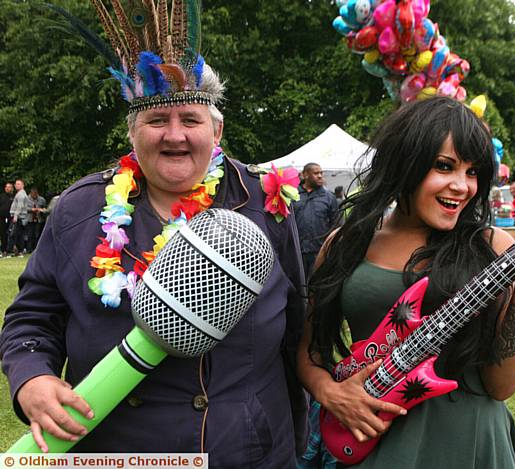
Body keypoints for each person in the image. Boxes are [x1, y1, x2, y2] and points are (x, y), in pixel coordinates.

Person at [0, 2, 308, 465]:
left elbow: (298, 328)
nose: (175, 135)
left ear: (216, 129)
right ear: (132, 132)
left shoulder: (266, 204)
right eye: (157, 121)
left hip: (246, 453)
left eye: (190, 120)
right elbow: (32, 319)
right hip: (121, 451)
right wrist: (31, 378)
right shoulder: (79, 209)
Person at [297, 97, 515, 468]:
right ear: (404, 162)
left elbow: (501, 385)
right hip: (373, 441)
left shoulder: (492, 247)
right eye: (445, 166)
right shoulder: (345, 244)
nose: (462, 186)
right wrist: (329, 392)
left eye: (473, 172)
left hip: (471, 443)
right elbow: (309, 351)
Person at [292, 163, 339, 279]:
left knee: (317, 284)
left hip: (319, 252)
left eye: (321, 173)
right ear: (305, 175)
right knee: (298, 285)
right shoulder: (293, 195)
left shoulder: (328, 197)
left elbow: (336, 224)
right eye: (316, 173)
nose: (320, 176)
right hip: (297, 252)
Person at [8, 179, 28, 256]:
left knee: (12, 234)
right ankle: (19, 251)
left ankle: (11, 251)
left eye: (19, 184)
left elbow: (20, 206)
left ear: (23, 185)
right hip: (19, 217)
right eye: (16, 184)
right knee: (19, 235)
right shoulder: (19, 194)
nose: (16, 185)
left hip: (18, 217)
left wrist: (15, 216)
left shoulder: (21, 195)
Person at [25, 187, 46, 253]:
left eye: (36, 194)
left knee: (37, 235)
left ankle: (36, 249)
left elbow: (45, 208)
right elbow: (23, 209)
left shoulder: (42, 199)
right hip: (29, 219)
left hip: (38, 219)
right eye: (33, 194)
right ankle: (29, 249)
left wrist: (41, 210)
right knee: (29, 235)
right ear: (31, 193)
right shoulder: (26, 199)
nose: (34, 195)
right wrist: (32, 210)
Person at [0, 182, 14, 256]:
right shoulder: (1, 196)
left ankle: (9, 249)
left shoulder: (14, 197)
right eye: (7, 187)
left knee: (10, 234)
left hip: (11, 219)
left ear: (12, 188)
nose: (8, 188)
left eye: (10, 187)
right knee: (3, 234)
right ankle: (3, 250)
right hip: (1, 219)